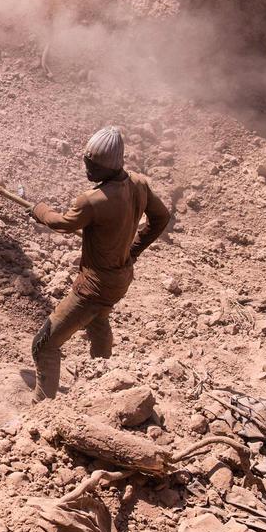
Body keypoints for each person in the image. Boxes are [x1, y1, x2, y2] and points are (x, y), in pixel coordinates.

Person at [27, 126, 171, 401]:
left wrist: (39, 210)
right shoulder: (139, 184)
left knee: (44, 345)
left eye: (93, 166)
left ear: (108, 166)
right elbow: (161, 218)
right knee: (98, 320)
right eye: (86, 163)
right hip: (120, 278)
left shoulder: (93, 201)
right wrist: (133, 249)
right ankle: (103, 386)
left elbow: (62, 224)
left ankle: (41, 408)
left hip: (94, 286)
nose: (87, 171)